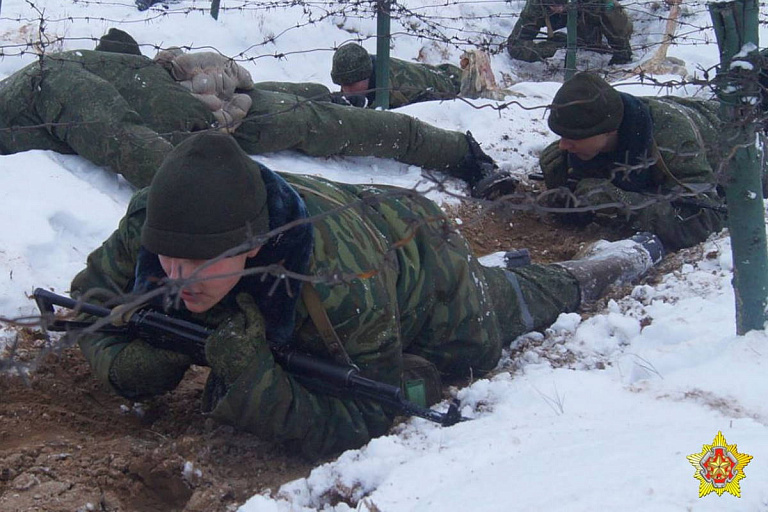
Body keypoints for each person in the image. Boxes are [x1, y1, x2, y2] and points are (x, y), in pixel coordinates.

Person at [70, 131, 664, 460]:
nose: (175, 275)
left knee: (513, 304)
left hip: (422, 268)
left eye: (200, 264)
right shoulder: (158, 222)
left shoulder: (339, 282)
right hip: (363, 228)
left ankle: (624, 256)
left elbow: (372, 414)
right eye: (167, 258)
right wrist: (130, 363)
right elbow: (84, 304)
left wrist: (256, 382)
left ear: (251, 246)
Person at [0, 29, 510, 199]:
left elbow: (123, 137)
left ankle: (465, 154)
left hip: (212, 123)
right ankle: (329, 98)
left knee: (337, 125)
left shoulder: (49, 79)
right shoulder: (22, 114)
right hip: (199, 116)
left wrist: (227, 204)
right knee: (311, 110)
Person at [537, 72, 726, 251]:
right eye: (561, 136)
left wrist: (623, 203)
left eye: (572, 138)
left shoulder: (673, 143)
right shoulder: (596, 126)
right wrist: (563, 184)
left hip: (736, 140)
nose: (562, 145)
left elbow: (707, 220)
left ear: (610, 130)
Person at [330, 42, 463, 109]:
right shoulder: (359, 65)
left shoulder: (398, 88)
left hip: (452, 83)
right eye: (342, 84)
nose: (346, 90)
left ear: (367, 76)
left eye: (351, 85)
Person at [506, 0, 633, 65]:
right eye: (553, 4)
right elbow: (515, 45)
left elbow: (614, 14)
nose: (559, 9)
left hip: (587, 12)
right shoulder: (536, 5)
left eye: (561, 3)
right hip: (567, 17)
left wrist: (621, 50)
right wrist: (549, 48)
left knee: (610, 8)